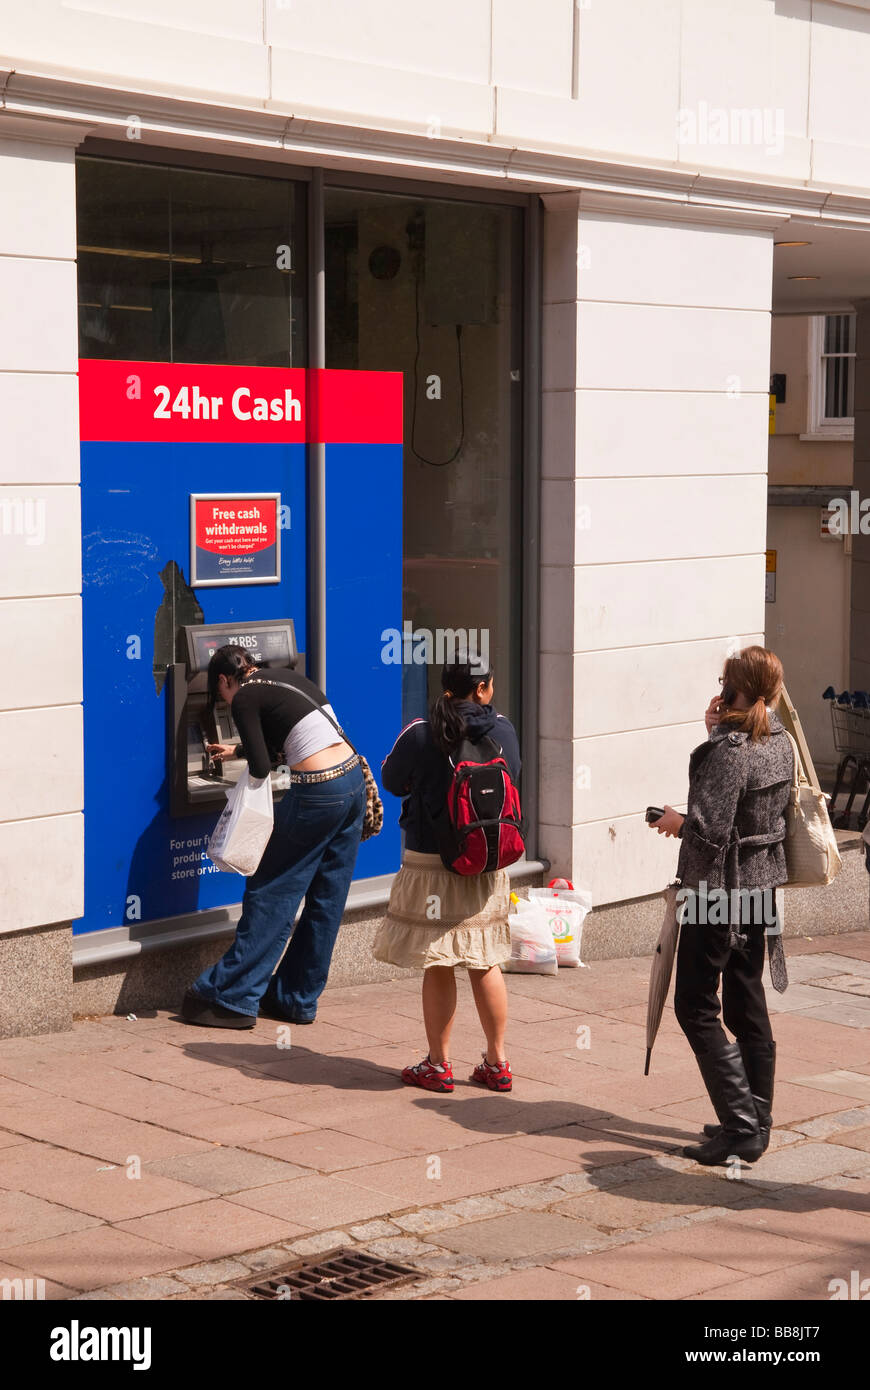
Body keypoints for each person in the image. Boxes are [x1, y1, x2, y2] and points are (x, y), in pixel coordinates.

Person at [648, 646, 794, 1165]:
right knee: (746, 999)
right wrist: (717, 730)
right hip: (760, 889)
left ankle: (739, 1125)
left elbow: (709, 834)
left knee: (695, 1004)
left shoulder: (731, 750)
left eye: (723, 683)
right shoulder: (782, 742)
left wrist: (674, 821)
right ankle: (758, 1117)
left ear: (734, 690)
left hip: (717, 892)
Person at [181, 645, 365, 1028]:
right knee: (325, 898)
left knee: (271, 889)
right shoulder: (289, 677)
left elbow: (262, 766)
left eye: (221, 695)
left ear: (222, 680)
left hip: (317, 792)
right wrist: (237, 749)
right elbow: (294, 735)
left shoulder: (244, 695)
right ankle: (295, 998)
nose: (225, 702)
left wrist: (244, 766)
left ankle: (230, 995)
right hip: (351, 782)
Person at [373, 655, 519, 1093]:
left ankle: (438, 1065)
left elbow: (392, 781)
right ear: (482, 689)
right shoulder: (505, 730)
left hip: (431, 864)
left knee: (439, 963)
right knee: (484, 959)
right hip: (484, 861)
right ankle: (497, 1062)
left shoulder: (420, 732)